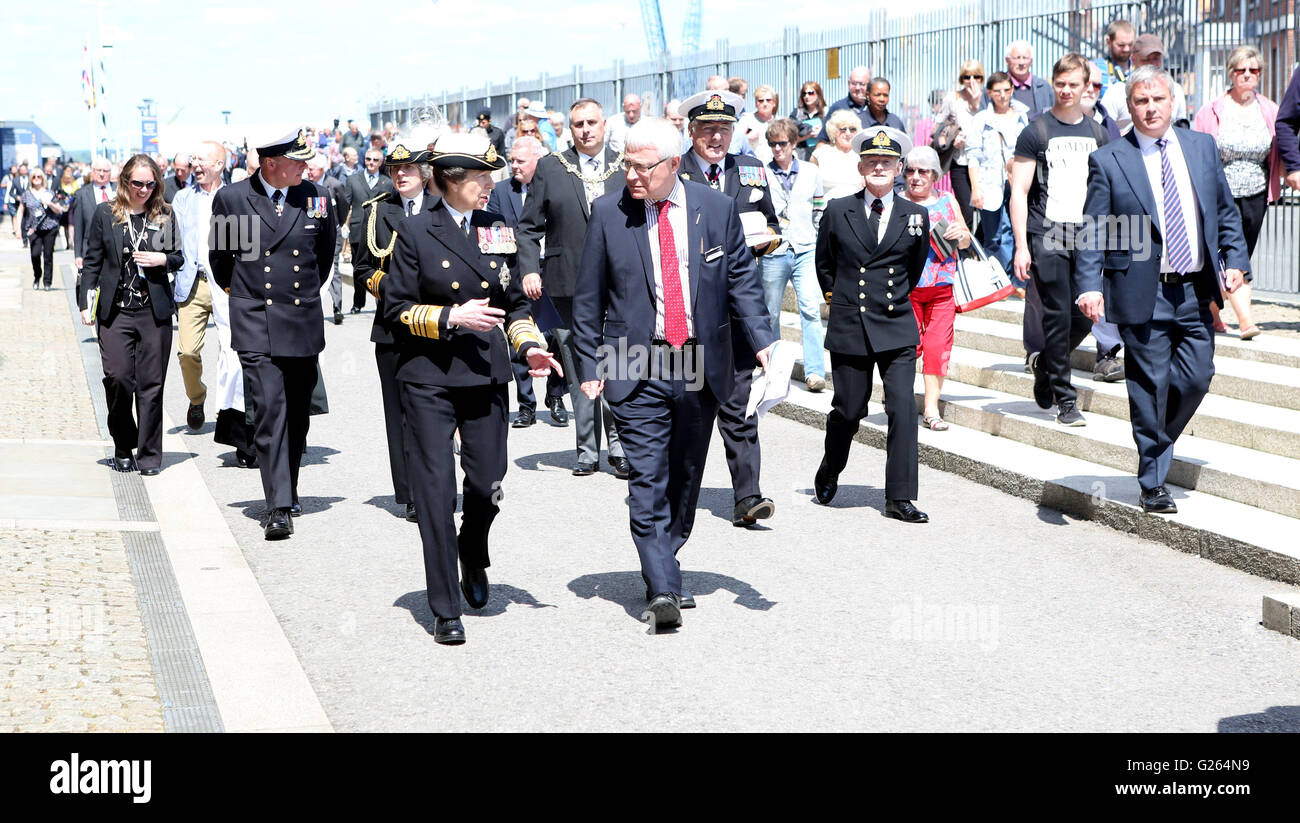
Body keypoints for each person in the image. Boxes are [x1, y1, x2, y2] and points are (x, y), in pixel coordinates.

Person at [572, 117, 777, 631]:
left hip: (694, 358)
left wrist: (763, 340)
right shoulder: (606, 212)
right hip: (632, 358)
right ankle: (662, 585)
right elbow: (587, 299)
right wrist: (590, 363)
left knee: (685, 475)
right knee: (646, 475)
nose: (633, 177)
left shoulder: (716, 209)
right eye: (627, 166)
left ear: (672, 165)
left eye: (643, 168)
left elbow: (740, 279)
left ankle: (666, 552)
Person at [383, 132, 562, 645]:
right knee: (436, 493)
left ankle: (472, 548)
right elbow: (394, 310)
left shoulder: (496, 227)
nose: (491, 185)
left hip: (484, 374)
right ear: (450, 181)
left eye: (492, 175)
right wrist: (450, 317)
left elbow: (515, 304)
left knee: (486, 482)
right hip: (429, 378)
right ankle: (444, 607)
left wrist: (529, 347)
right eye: (481, 177)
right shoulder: (415, 232)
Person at [1077, 65, 1249, 514]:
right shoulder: (1110, 159)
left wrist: (1236, 262)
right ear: (1129, 107)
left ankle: (1157, 441)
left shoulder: (1202, 147)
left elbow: (1225, 211)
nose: (1150, 108)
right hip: (1142, 291)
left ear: (1173, 102)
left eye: (1157, 99)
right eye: (1141, 101)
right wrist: (1089, 286)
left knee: (1196, 377)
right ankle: (1153, 480)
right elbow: (1094, 230)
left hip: (1195, 290)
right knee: (1148, 385)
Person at [210, 130, 337, 540]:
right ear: (270, 164)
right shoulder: (234, 199)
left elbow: (323, 254)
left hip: (300, 319)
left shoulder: (315, 197)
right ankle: (277, 505)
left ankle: (291, 486)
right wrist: (249, 300)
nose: (305, 166)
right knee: (268, 412)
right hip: (256, 321)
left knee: (298, 414)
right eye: (296, 160)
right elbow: (223, 262)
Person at [814, 126, 931, 523]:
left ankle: (899, 496)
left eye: (887, 162)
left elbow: (912, 271)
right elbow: (824, 264)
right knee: (849, 409)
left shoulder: (916, 215)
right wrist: (842, 301)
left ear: (899, 168)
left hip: (895, 324)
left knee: (902, 408)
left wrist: (892, 299)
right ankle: (831, 465)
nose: (879, 168)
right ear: (861, 166)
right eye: (872, 161)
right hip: (850, 324)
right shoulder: (837, 209)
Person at [678, 89, 781, 527]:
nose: (717, 137)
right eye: (708, 129)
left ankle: (748, 496)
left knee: (741, 404)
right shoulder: (674, 172)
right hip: (688, 308)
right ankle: (674, 494)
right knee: (687, 409)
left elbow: (771, 221)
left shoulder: (752, 170)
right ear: (692, 131)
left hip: (738, 306)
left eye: (724, 128)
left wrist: (767, 237)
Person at [517, 98, 628, 477]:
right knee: (580, 364)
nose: (585, 129)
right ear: (570, 127)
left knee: (617, 362)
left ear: (604, 124)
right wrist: (530, 269)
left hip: (619, 285)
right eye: (578, 123)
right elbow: (529, 227)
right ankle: (586, 450)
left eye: (592, 122)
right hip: (566, 283)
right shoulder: (551, 167)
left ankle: (620, 446)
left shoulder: (625, 164)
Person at [1010, 53, 1109, 427]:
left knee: (1084, 317)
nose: (1066, 90)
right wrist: (1021, 244)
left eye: (1074, 84)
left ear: (1086, 87)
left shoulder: (1097, 133)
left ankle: (1045, 366)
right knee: (1054, 315)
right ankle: (1066, 400)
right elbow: (1018, 192)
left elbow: (1104, 189)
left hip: (1085, 235)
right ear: (1053, 83)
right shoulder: (1036, 131)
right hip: (1046, 231)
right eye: (1060, 83)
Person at [351, 141, 441, 524]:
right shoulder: (377, 211)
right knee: (399, 413)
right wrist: (395, 291)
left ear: (424, 173)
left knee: (436, 414)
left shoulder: (443, 209)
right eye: (394, 169)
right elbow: (361, 268)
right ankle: (409, 494)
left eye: (407, 169)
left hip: (438, 325)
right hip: (393, 327)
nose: (400, 175)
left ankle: (437, 486)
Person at [78, 154, 183, 475]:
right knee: (119, 378)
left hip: (154, 312)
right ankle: (123, 442)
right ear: (125, 181)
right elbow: (92, 261)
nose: (144, 190)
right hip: (115, 310)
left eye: (150, 184)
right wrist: (85, 303)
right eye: (137, 183)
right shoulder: (105, 214)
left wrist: (161, 260)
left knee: (151, 385)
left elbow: (179, 257)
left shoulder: (164, 214)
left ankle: (150, 455)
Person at [1193, 45, 1278, 340]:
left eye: (1253, 70)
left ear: (1260, 74)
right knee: (1226, 253)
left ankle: (1215, 311)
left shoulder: (1268, 109)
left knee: (1243, 254)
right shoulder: (1213, 109)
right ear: (1230, 73)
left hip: (1256, 193)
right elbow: (1199, 150)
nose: (1246, 75)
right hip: (1219, 194)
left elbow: (1278, 149)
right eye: (1240, 70)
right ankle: (1245, 320)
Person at [487, 136, 568, 429]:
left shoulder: (559, 187)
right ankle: (526, 405)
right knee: (520, 339)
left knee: (557, 338)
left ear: (539, 161)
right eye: (512, 160)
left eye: (520, 160)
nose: (514, 165)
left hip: (555, 274)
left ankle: (556, 398)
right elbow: (494, 234)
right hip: (517, 274)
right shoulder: (500, 191)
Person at [901, 145, 970, 430]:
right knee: (907, 348)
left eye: (923, 171)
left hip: (941, 288)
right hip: (907, 289)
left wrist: (960, 234)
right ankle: (900, 401)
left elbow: (966, 240)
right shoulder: (896, 202)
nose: (916, 177)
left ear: (934, 175)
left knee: (936, 348)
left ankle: (931, 409)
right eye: (911, 171)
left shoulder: (948, 200)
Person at [761, 117, 827, 392]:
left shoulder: (811, 171)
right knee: (771, 312)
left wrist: (818, 237)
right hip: (774, 249)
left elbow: (819, 208)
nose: (778, 149)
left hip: (805, 247)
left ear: (793, 143)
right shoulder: (763, 173)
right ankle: (775, 369)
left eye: (783, 144)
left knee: (811, 308)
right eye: (773, 144)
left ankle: (814, 371)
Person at [171, 141, 229, 433]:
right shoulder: (182, 199)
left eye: (201, 160)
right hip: (192, 284)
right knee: (187, 352)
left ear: (218, 165)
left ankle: (227, 410)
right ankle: (197, 398)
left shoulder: (234, 196)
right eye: (193, 160)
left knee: (230, 350)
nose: (195, 166)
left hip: (227, 285)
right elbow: (172, 240)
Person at [966, 71, 1029, 272]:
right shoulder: (982, 119)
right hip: (989, 183)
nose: (1003, 95)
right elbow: (973, 156)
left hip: (1017, 181)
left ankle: (1014, 280)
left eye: (1007, 90)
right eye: (998, 91)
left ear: (1012, 90)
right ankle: (995, 276)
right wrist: (975, 188)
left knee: (1015, 230)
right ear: (989, 93)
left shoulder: (1021, 115)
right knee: (993, 234)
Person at [1100, 34, 1188, 133]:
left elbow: (1181, 128)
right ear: (1133, 59)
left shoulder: (1175, 89)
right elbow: (1103, 130)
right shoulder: (1116, 92)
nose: (1152, 63)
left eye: (1156, 58)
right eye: (1145, 59)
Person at [344, 147, 395, 314]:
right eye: (368, 159)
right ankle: (358, 303)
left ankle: (380, 301)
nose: (371, 162)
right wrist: (344, 225)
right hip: (358, 230)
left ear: (381, 163)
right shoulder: (352, 180)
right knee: (359, 268)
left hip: (380, 232)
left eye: (375, 160)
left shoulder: (387, 182)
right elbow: (346, 205)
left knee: (380, 268)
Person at [937, 60, 986, 227]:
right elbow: (939, 126)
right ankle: (965, 250)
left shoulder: (987, 98)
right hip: (960, 160)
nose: (972, 81)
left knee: (987, 210)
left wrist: (978, 101)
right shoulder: (953, 98)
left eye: (977, 77)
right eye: (967, 77)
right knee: (966, 211)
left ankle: (981, 250)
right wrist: (952, 138)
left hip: (983, 162)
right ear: (961, 78)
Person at [305, 153, 348, 324]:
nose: (308, 172)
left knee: (333, 267)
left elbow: (343, 206)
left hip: (332, 232)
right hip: (311, 234)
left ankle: (337, 306)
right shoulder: (305, 186)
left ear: (321, 169)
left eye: (312, 169)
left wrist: (338, 225)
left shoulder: (334, 185)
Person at [14, 169, 64, 290]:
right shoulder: (27, 194)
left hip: (49, 227)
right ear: (31, 179)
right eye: (34, 177)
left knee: (48, 255)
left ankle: (47, 282)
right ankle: (37, 276)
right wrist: (17, 228)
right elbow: (20, 211)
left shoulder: (49, 192)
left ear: (43, 179)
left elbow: (59, 210)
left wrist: (49, 203)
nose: (37, 179)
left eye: (39, 177)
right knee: (35, 254)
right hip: (33, 229)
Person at [812, 110, 865, 200]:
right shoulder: (820, 153)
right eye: (843, 129)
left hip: (856, 208)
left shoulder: (862, 155)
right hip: (827, 208)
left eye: (852, 129)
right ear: (834, 131)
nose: (848, 133)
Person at [73, 158, 114, 272]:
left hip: (114, 250)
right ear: (92, 171)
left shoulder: (120, 191)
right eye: (98, 170)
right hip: (90, 250)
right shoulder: (81, 194)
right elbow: (78, 227)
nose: (102, 174)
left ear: (110, 172)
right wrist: (78, 254)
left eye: (105, 171)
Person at [817, 65, 872, 142]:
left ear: (869, 85)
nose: (857, 88)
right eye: (854, 83)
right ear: (848, 83)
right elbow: (823, 140)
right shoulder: (838, 107)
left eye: (862, 84)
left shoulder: (874, 108)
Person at [1005, 40, 1054, 116]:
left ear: (1031, 62)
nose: (1021, 63)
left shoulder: (1044, 87)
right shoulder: (998, 86)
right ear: (1007, 60)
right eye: (1017, 58)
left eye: (1025, 58)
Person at [738, 84, 780, 162]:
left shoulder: (780, 123)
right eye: (761, 101)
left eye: (768, 100)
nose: (765, 104)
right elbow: (735, 143)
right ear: (756, 103)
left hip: (775, 168)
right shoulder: (746, 120)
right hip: (752, 166)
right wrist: (748, 138)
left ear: (774, 103)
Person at [1095, 19, 1136, 96]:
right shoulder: (1096, 68)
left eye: (1130, 44)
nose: (1126, 49)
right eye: (1121, 45)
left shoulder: (1139, 67)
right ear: (1108, 42)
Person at [791, 81, 827, 161]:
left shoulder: (826, 113)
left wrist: (821, 133)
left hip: (821, 156)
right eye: (804, 94)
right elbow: (789, 138)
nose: (807, 96)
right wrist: (808, 135)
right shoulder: (797, 114)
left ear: (818, 94)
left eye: (811, 93)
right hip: (801, 156)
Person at [57, 166, 80, 250]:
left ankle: (71, 242)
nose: (68, 179)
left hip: (72, 207)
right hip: (63, 208)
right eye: (66, 178)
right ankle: (67, 242)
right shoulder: (61, 184)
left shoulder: (75, 184)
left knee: (71, 225)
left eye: (69, 178)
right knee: (65, 226)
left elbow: (78, 194)